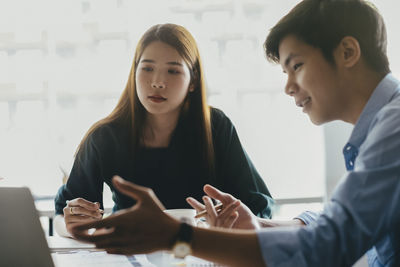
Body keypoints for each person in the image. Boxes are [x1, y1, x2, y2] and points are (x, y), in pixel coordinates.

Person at [70, 1, 400, 266]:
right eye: (148, 68)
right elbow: (333, 222)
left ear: (347, 52)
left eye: (296, 65)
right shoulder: (382, 127)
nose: (287, 87)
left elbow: (329, 246)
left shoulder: (394, 128)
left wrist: (176, 237)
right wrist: (259, 227)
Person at [54, 23, 273, 236]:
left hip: (203, 249)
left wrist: (234, 221)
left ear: (193, 81)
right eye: (147, 68)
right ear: (134, 72)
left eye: (173, 71)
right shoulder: (104, 137)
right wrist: (73, 223)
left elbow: (259, 206)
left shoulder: (215, 126)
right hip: (131, 252)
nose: (158, 82)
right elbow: (62, 216)